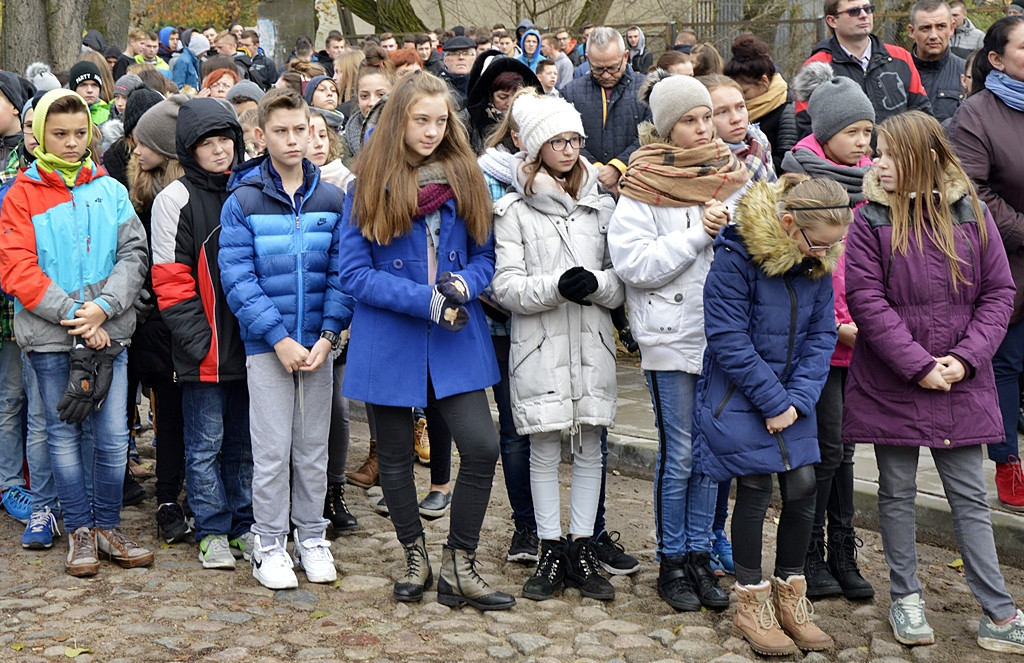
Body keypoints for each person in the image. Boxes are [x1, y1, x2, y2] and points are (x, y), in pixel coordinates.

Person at [845, 109, 1024, 654]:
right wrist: (918, 363)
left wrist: (964, 360)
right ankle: (907, 598)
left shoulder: (971, 213)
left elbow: (998, 293)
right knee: (895, 493)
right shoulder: (869, 218)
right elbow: (866, 301)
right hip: (893, 380)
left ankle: (998, 612)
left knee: (970, 497)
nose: (875, 162)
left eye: (885, 153)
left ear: (921, 158)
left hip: (961, 380)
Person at [339, 71, 514, 611]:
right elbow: (353, 274)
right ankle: (416, 555)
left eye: (441, 121)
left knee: (482, 448)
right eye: (422, 120)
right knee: (393, 457)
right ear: (399, 121)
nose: (433, 131)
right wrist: (423, 299)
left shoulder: (467, 178)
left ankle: (461, 562)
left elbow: (486, 257)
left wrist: (466, 284)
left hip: (457, 332)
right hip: (391, 332)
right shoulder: (365, 182)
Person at [609, 72, 749, 610]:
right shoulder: (644, 186)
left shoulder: (730, 176)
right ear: (666, 128)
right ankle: (672, 561)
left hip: (723, 337)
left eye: (704, 117)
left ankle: (699, 557)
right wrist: (698, 234)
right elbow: (634, 266)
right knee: (682, 453)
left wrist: (736, 234)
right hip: (670, 336)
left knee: (712, 453)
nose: (700, 127)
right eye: (688, 120)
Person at [694, 174, 848, 655]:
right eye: (819, 244)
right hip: (739, 393)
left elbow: (823, 336)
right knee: (756, 487)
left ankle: (789, 593)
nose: (825, 254)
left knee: (804, 487)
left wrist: (797, 401)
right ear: (787, 224)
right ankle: (750, 601)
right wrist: (774, 401)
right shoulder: (736, 255)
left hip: (792, 398)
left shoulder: (818, 258)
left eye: (833, 245)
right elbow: (727, 337)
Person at [0, 89, 151, 577]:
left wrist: (104, 308)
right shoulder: (21, 194)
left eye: (79, 133)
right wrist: (75, 314)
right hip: (50, 338)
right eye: (59, 134)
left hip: (109, 334)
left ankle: (108, 527)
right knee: (63, 436)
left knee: (111, 438)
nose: (70, 143)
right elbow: (17, 269)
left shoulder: (110, 190)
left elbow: (133, 254)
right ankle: (80, 531)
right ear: (39, 133)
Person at [489, 91, 623, 603]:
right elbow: (506, 286)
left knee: (591, 448)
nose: (568, 150)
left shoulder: (601, 206)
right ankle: (549, 548)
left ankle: (584, 548)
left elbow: (622, 280)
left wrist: (596, 286)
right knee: (542, 450)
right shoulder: (514, 211)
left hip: (592, 345)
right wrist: (553, 288)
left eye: (574, 140)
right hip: (539, 345)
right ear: (537, 146)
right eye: (556, 141)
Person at [219, 87, 352, 590]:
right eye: (281, 131)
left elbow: (343, 272)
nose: (293, 140)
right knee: (272, 449)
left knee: (312, 447)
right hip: (267, 346)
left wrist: (328, 334)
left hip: (318, 344)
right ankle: (270, 542)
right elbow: (238, 278)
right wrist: (276, 338)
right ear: (261, 136)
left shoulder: (332, 198)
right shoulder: (244, 199)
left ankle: (312, 535)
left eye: (302, 130)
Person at [783, 62, 876, 601]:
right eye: (851, 132)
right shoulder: (801, 179)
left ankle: (843, 549)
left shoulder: (870, 183)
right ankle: (810, 554)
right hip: (824, 338)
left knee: (844, 450)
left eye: (867, 131)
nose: (862, 142)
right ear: (824, 132)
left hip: (861, 336)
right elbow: (821, 265)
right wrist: (839, 323)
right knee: (824, 449)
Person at [150, 98, 255, 569]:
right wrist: (201, 344)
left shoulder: (252, 189)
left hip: (253, 342)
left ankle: (244, 524)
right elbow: (170, 283)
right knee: (204, 444)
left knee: (244, 444)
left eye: (225, 141)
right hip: (206, 348)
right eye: (207, 144)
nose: (219, 152)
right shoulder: (175, 199)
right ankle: (211, 527)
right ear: (188, 150)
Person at [949, 15, 1024, 509]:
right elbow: (971, 192)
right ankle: (1007, 465)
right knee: (1007, 364)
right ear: (995, 59)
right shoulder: (976, 114)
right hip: (1009, 264)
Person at [796, 0, 931, 139]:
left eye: (868, 9)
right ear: (832, 21)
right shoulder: (817, 66)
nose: (864, 15)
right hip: (842, 160)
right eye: (853, 11)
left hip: (898, 157)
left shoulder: (901, 57)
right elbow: (808, 129)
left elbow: (923, 115)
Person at [561, 27, 651, 195]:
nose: (607, 75)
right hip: (584, 187)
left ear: (625, 57)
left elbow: (653, 135)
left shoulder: (647, 89)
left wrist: (618, 166)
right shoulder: (570, 93)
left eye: (613, 68)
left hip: (637, 188)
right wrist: (594, 169)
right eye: (598, 69)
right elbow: (564, 136)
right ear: (587, 60)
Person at [724, 34, 797, 173]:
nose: (741, 98)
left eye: (744, 92)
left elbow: (785, 160)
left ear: (764, 81)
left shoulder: (786, 110)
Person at [700, 74, 776, 184]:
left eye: (740, 107)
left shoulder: (760, 142)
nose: (736, 118)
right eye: (722, 112)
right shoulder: (700, 162)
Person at [908, 0, 965, 123]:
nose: (933, 35)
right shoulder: (896, 72)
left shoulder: (967, 73)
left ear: (952, 28)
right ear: (912, 31)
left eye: (941, 26)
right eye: (925, 28)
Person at [69, 61, 111, 125]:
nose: (90, 90)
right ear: (74, 89)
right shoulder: (64, 114)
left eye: (94, 85)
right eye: (83, 85)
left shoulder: (108, 116)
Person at [440, 35, 477, 104]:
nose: (461, 57)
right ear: (445, 60)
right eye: (455, 53)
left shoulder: (483, 86)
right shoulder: (436, 87)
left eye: (466, 53)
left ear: (474, 59)